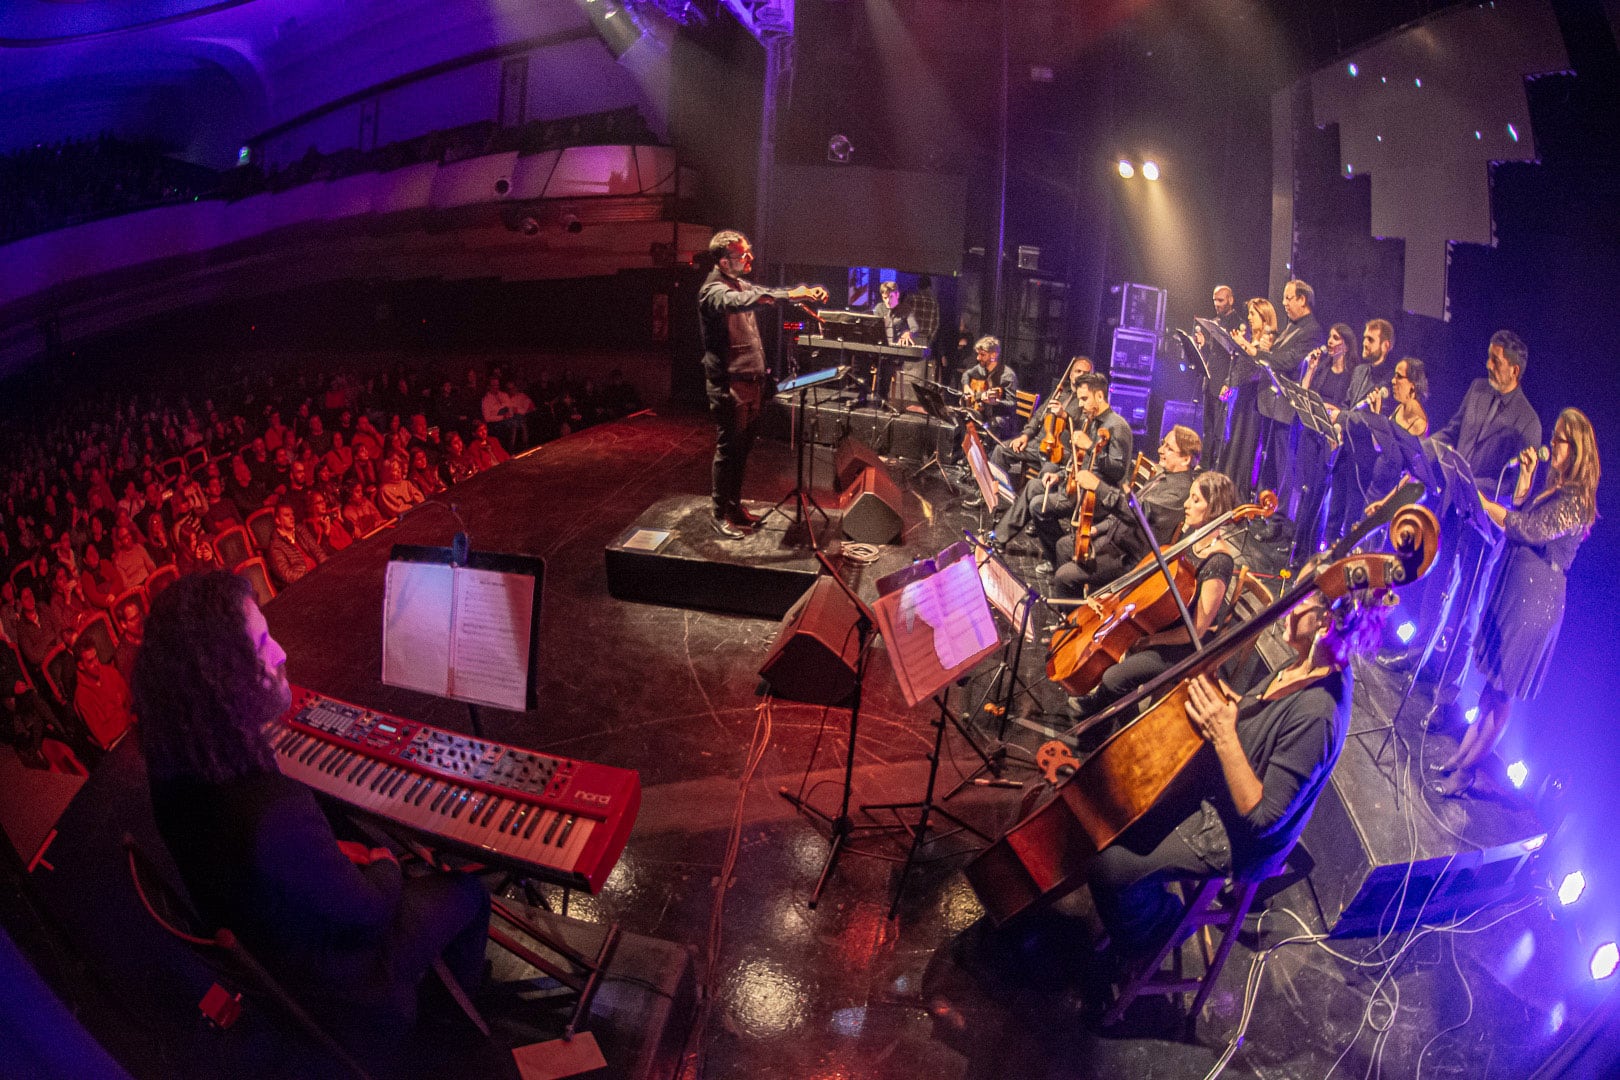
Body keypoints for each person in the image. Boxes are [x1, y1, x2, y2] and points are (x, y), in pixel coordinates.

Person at [133, 572, 490, 1064]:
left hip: (272, 953)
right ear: (221, 675)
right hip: (345, 992)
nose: (279, 653)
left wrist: (331, 858)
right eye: (259, 644)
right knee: (467, 892)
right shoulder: (273, 811)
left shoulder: (176, 771)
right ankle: (446, 1044)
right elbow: (368, 914)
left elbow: (281, 868)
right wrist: (385, 862)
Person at [1086, 585, 1388, 960]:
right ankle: (1141, 900)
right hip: (1223, 784)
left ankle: (1163, 929)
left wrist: (1225, 734)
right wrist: (1218, 694)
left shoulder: (1319, 715)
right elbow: (1255, 713)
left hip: (1237, 835)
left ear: (1324, 621)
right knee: (1118, 808)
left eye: (1301, 600)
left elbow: (1262, 819)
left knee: (1108, 870)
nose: (1286, 607)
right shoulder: (1301, 662)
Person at [1430, 408, 1598, 798]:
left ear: (1576, 450)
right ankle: (1461, 758)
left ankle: (1468, 770)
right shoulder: (1556, 488)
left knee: (1502, 690)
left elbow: (1529, 529)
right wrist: (1523, 484)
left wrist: (1486, 505)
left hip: (1535, 600)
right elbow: (1524, 516)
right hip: (1516, 587)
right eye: (1554, 436)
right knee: (1490, 684)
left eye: (1559, 439)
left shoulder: (1578, 501)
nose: (1551, 444)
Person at [1413, 331, 1542, 693]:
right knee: (1437, 576)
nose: (1487, 365)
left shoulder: (1527, 422)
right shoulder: (1476, 389)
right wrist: (1425, 447)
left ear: (1514, 371)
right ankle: (1417, 655)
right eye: (1489, 357)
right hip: (1453, 503)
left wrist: (1484, 496)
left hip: (1483, 522)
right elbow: (1452, 432)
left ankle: (1448, 683)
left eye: (1496, 361)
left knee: (1468, 601)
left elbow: (1517, 492)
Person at [1064, 471, 1240, 727]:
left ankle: (1111, 721)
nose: (1186, 504)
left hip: (1182, 645)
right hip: (1163, 625)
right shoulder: (1189, 540)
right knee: (1117, 651)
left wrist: (1149, 640)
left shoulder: (1220, 562)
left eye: (1195, 500)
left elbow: (1197, 631)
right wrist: (1115, 595)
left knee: (1114, 677)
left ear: (1214, 509)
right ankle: (1111, 715)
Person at [698, 229, 828, 539]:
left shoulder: (740, 283)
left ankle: (733, 506)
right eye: (743, 255)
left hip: (752, 383)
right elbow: (743, 301)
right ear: (723, 261)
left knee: (742, 451)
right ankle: (718, 514)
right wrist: (791, 293)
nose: (750, 259)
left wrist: (804, 295)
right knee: (728, 450)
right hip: (730, 386)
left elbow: (761, 294)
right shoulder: (713, 291)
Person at [992, 372, 1130, 573]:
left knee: (1039, 506)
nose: (1080, 405)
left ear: (1099, 396)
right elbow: (1082, 464)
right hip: (1077, 485)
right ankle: (999, 537)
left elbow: (1117, 472)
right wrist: (1061, 476)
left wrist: (1090, 446)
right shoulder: (1094, 421)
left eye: (1084, 399)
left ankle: (1059, 559)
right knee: (1033, 486)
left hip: (1096, 496)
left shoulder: (1117, 426)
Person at [1049, 425, 1201, 600]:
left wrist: (1098, 486)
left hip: (1128, 559)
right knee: (1063, 545)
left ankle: (1075, 617)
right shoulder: (1164, 476)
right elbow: (1127, 510)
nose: (1160, 450)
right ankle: (1079, 605)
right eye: (1163, 444)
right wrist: (1098, 529)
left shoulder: (1180, 491)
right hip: (1114, 542)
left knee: (1064, 577)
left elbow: (1139, 513)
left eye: (1169, 448)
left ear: (1186, 460)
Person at [973, 355, 1091, 510]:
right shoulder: (1060, 391)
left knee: (1047, 475)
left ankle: (1037, 513)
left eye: (1085, 373)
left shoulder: (1088, 400)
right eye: (1078, 371)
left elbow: (1084, 429)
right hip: (1038, 444)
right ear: (1071, 374)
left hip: (1060, 454)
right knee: (1000, 450)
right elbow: (1038, 417)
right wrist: (1025, 436)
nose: (1081, 375)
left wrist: (1065, 416)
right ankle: (994, 497)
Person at [1291, 323, 1357, 560]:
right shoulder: (1323, 367)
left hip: (1328, 439)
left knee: (1318, 491)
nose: (1329, 341)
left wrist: (1333, 409)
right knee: (1305, 487)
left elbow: (1345, 408)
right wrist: (1310, 368)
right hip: (1311, 432)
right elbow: (1304, 393)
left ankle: (1308, 549)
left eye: (1335, 338)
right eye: (1330, 337)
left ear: (1346, 346)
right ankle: (1296, 544)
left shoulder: (1350, 376)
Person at [1220, 297, 1277, 499]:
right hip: (1241, 396)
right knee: (1233, 442)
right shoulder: (1250, 339)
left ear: (1264, 317)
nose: (1250, 318)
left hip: (1254, 400)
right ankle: (1226, 489)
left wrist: (1243, 346)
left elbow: (1257, 370)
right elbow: (1238, 369)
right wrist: (1228, 381)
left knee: (1245, 447)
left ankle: (1238, 495)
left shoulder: (1267, 342)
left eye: (1253, 314)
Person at [1201, 285, 1245, 468]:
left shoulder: (1238, 323)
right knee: (1207, 427)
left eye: (1221, 300)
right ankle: (1204, 464)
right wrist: (1204, 345)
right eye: (1214, 300)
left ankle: (1217, 466)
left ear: (1230, 300)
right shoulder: (1215, 321)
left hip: (1225, 382)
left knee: (1220, 429)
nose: (1217, 304)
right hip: (1211, 379)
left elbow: (1237, 356)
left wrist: (1229, 383)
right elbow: (1214, 353)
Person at [71, 637, 136, 750]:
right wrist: (126, 716)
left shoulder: (109, 672)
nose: (96, 663)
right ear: (81, 666)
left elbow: (130, 700)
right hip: (118, 745)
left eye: (96, 657)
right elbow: (103, 736)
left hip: (133, 728)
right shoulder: (82, 697)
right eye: (90, 661)